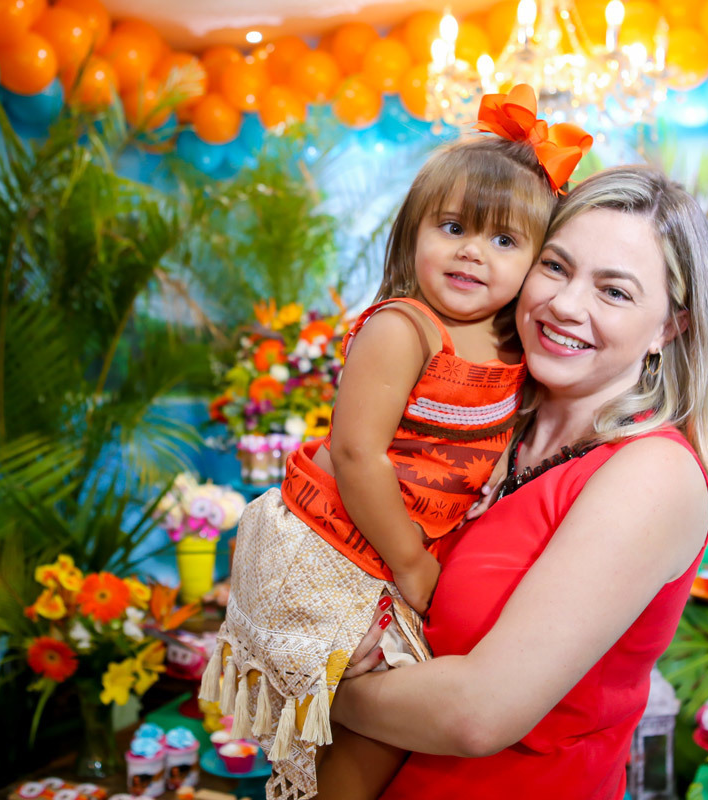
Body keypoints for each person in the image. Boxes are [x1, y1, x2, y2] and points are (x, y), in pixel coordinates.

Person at [199, 85, 593, 800]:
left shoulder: (515, 344)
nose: (473, 252)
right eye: (454, 227)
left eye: (505, 241)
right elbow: (357, 453)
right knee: (369, 727)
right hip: (334, 542)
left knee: (382, 734)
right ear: (415, 230)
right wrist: (412, 566)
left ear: (538, 263)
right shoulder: (403, 327)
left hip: (392, 548)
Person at [327, 165, 708, 799]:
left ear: (670, 327)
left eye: (614, 292)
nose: (564, 304)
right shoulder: (491, 425)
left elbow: (478, 714)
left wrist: (317, 689)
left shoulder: (651, 474)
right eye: (555, 267)